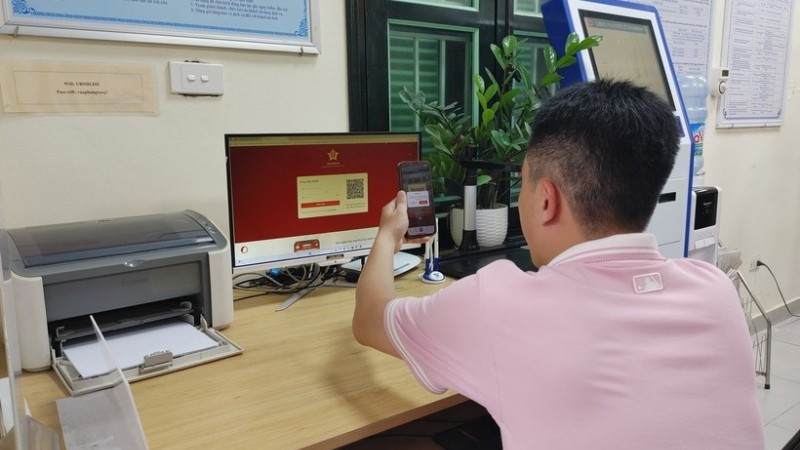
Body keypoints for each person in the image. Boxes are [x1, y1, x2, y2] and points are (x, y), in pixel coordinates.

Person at [353, 79, 764, 448]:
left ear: (547, 200)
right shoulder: (714, 289)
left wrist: (388, 236)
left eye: (523, 184)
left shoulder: (498, 304)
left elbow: (370, 320)